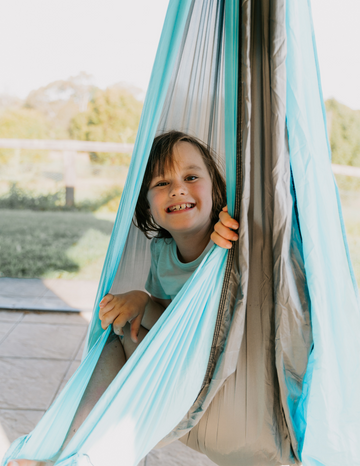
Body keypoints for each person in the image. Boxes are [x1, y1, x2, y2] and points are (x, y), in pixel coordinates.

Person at [8, 131, 239, 466]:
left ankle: (87, 457)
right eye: (161, 183)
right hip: (169, 368)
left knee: (125, 345)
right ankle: (66, 450)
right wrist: (141, 301)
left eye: (191, 177)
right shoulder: (162, 253)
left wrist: (234, 233)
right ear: (146, 203)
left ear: (217, 191)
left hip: (208, 378)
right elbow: (169, 325)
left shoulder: (229, 241)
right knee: (114, 334)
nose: (177, 188)